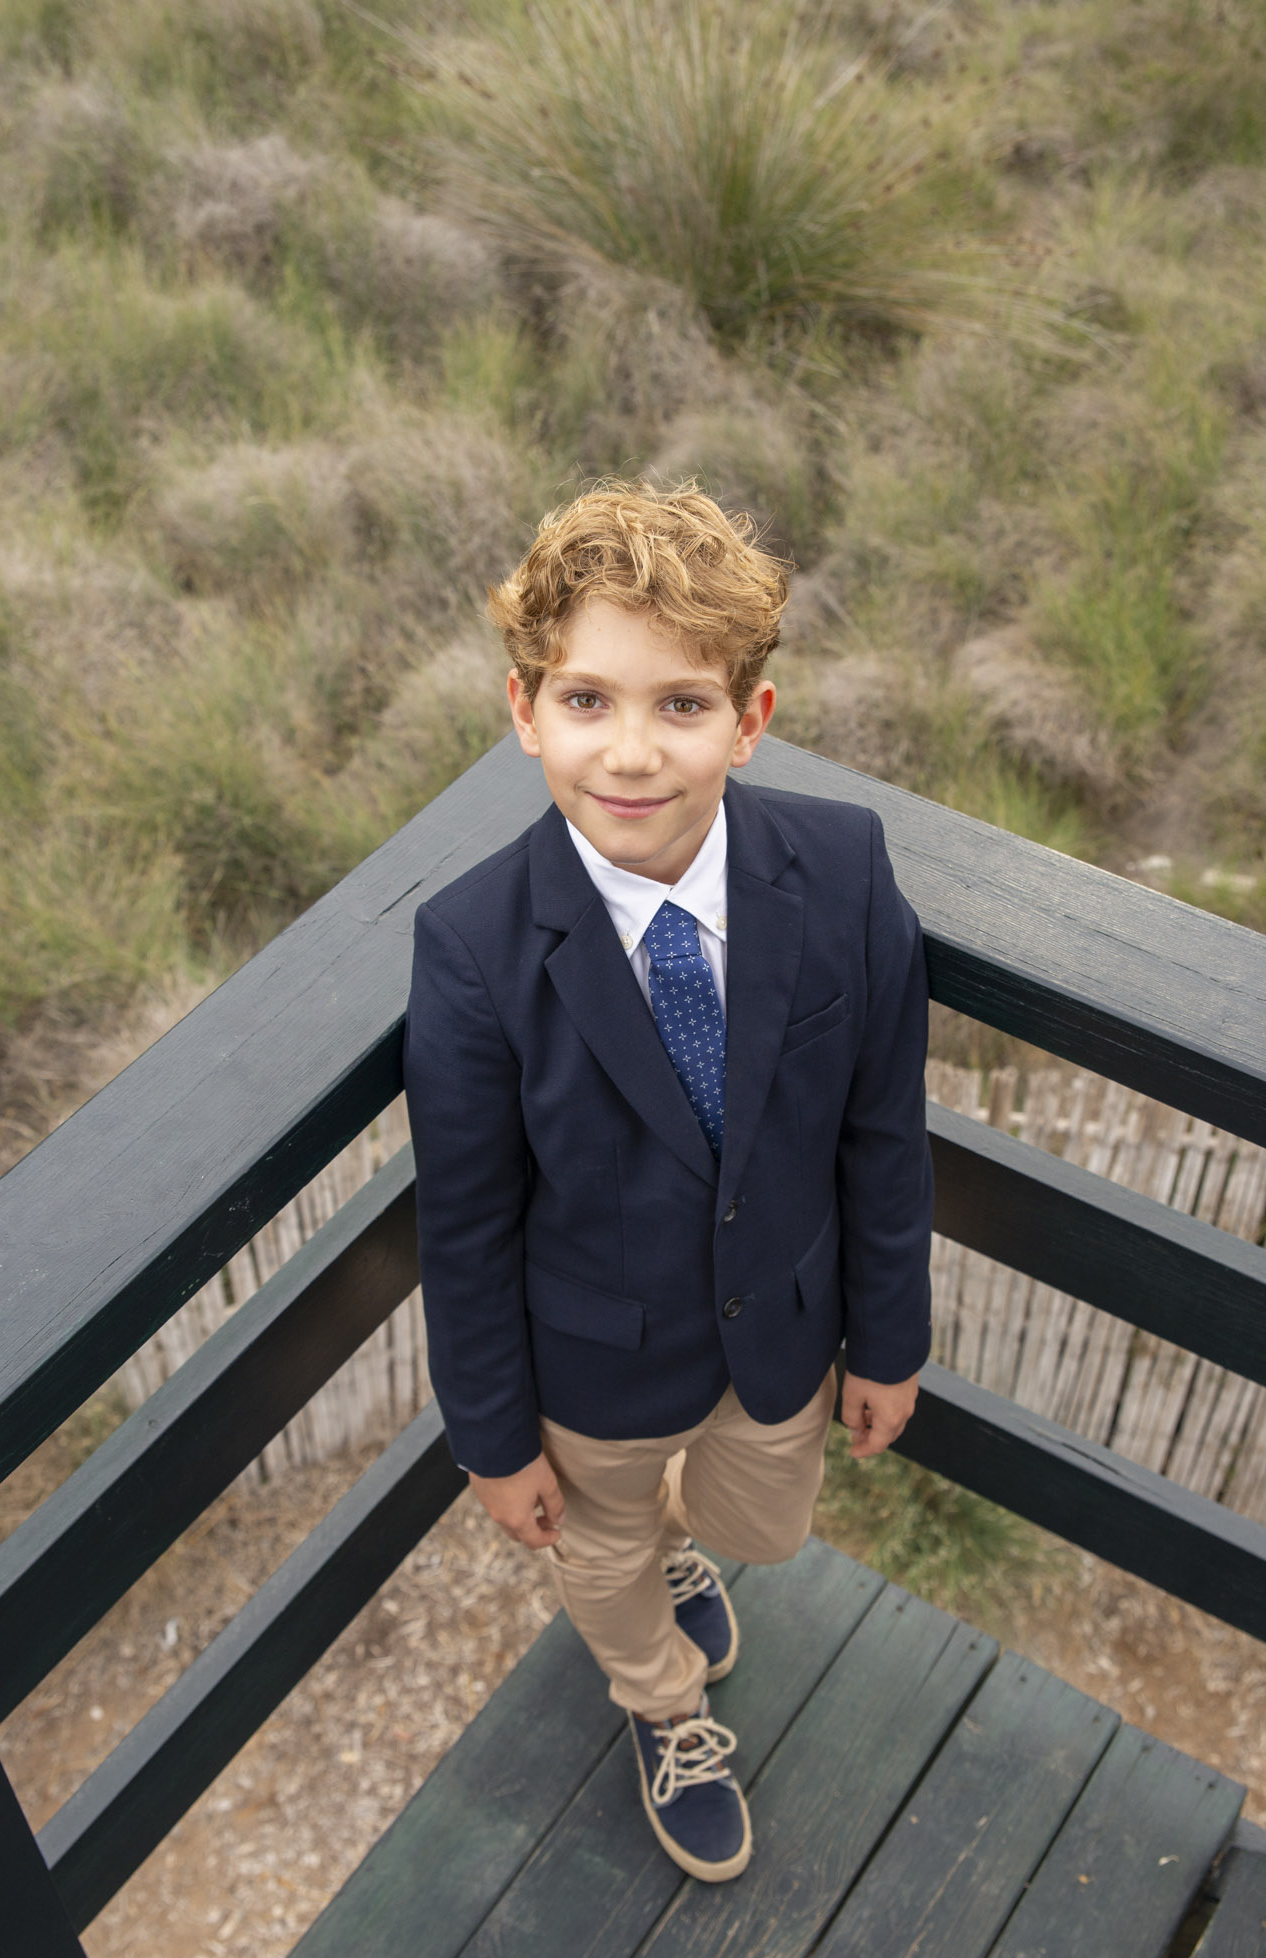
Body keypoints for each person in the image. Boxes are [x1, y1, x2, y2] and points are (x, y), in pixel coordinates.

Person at [402, 480, 934, 1884]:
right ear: (525, 711)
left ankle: (679, 1552)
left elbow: (883, 1129)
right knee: (602, 1551)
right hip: (589, 1372)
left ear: (748, 722)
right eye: (586, 700)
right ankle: (662, 1706)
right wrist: (492, 1438)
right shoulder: (472, 948)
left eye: (681, 704)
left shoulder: (844, 870)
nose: (630, 753)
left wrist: (889, 1340)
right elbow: (464, 1224)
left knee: (763, 1526)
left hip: (781, 1340)